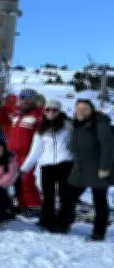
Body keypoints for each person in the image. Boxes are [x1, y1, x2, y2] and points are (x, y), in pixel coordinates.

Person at [52, 99, 113, 241]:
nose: (81, 111)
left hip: (98, 168)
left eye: (85, 109)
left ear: (92, 110)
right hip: (80, 168)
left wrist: (104, 167)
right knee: (68, 196)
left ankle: (99, 232)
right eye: (78, 109)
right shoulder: (76, 124)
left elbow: (108, 146)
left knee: (99, 200)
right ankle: (63, 224)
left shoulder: (100, 123)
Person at [19, 99, 73, 229]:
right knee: (48, 194)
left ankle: (63, 222)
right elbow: (35, 151)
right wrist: (23, 170)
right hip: (47, 165)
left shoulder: (68, 126)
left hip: (64, 164)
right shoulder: (41, 129)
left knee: (64, 194)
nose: (51, 112)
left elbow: (77, 144)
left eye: (54, 110)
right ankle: (47, 219)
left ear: (59, 111)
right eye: (48, 109)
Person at [0, 88, 43, 212]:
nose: (25, 101)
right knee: (15, 180)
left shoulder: (37, 114)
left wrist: (41, 106)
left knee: (26, 180)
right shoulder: (17, 114)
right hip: (12, 153)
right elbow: (5, 121)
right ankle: (22, 204)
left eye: (28, 98)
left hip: (27, 154)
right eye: (22, 98)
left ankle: (33, 205)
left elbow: (44, 124)